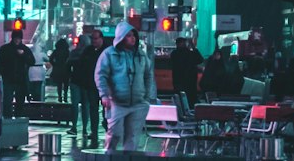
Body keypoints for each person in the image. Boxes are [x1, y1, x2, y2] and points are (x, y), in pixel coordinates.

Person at [95, 21, 157, 152]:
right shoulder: (109, 54)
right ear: (121, 38)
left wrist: (146, 96)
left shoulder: (141, 55)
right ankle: (109, 160)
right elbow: (101, 75)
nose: (132, 38)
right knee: (114, 134)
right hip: (116, 102)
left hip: (138, 103)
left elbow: (148, 75)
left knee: (133, 137)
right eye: (128, 35)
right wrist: (104, 95)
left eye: (133, 35)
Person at [70, 27, 106, 144]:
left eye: (96, 39)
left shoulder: (106, 51)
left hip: (105, 86)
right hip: (91, 85)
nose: (94, 41)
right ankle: (94, 132)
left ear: (101, 39)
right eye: (92, 39)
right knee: (93, 109)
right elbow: (82, 66)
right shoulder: (88, 51)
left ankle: (105, 127)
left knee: (106, 110)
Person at [0, 26, 35, 118]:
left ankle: (16, 118)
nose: (17, 40)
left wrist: (23, 55)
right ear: (13, 38)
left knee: (19, 101)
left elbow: (32, 61)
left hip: (19, 80)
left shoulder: (23, 49)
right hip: (10, 79)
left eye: (19, 38)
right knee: (8, 101)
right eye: (16, 38)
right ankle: (8, 118)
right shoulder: (6, 49)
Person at [170, 36, 203, 106]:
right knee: (187, 99)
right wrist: (193, 47)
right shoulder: (183, 54)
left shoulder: (176, 53)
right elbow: (199, 59)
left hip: (184, 81)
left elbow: (199, 60)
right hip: (186, 81)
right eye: (183, 43)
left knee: (183, 100)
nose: (185, 44)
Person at [48, 37, 72, 103]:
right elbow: (70, 60)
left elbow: (51, 59)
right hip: (66, 69)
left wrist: (55, 64)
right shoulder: (67, 51)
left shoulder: (56, 51)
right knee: (66, 84)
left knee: (59, 84)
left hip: (58, 69)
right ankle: (65, 97)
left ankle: (60, 97)